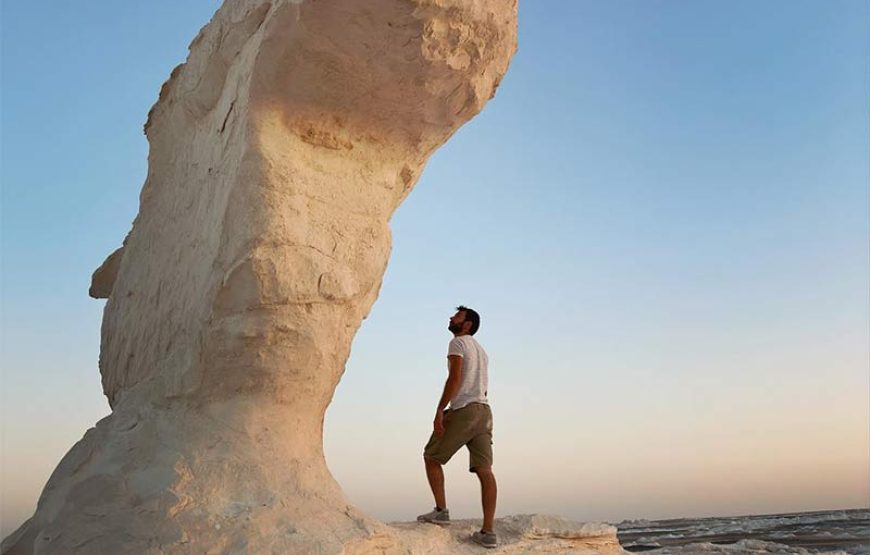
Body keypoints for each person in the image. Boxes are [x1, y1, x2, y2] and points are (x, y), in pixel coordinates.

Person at [417, 305, 498, 549]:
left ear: (467, 324)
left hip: (465, 411)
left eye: (457, 316)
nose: (451, 318)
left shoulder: (458, 343)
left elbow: (454, 378)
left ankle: (441, 511)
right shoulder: (482, 350)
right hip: (484, 411)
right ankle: (488, 532)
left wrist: (440, 409)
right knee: (485, 470)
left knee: (431, 457)